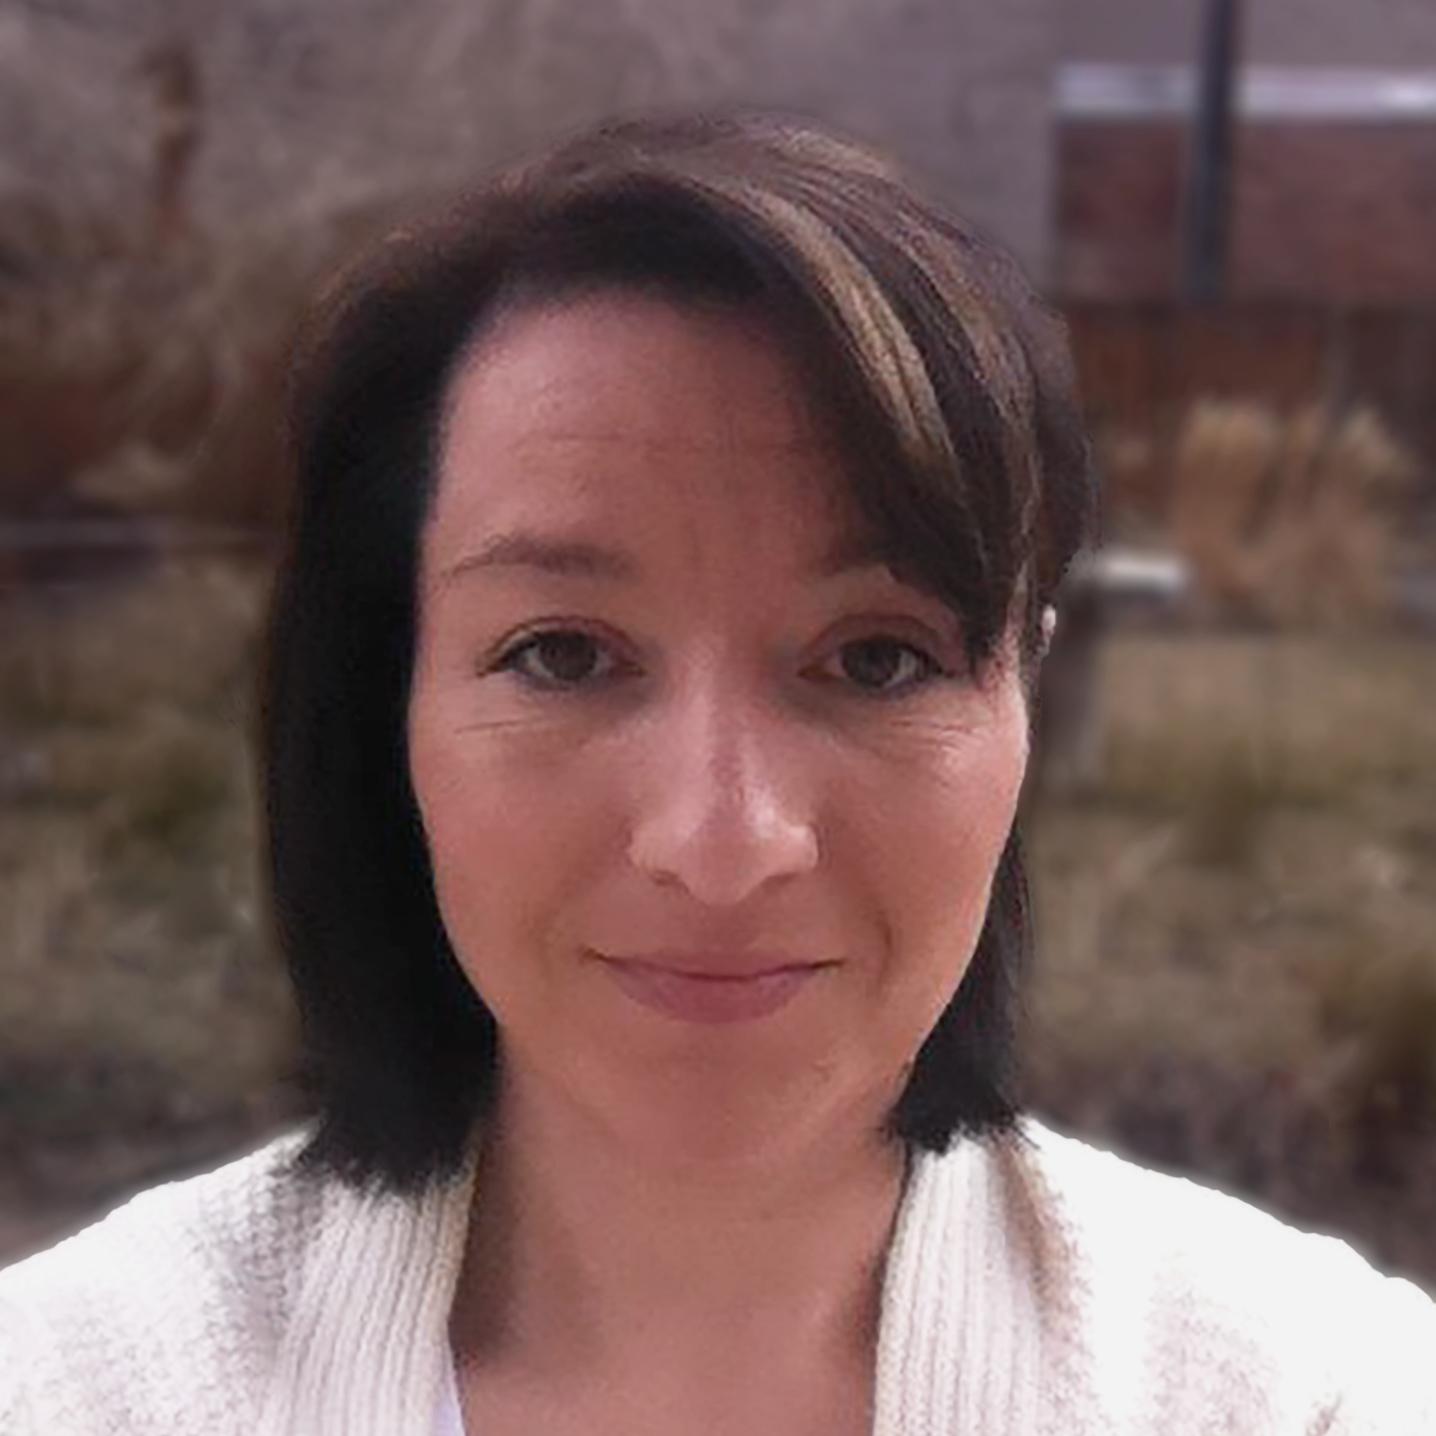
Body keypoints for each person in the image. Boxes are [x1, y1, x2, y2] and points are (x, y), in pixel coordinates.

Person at [1, 109, 1432, 1436]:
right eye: (562, 654)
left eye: (878, 660)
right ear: (389, 709)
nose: (723, 842)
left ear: (1025, 706)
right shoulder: (81, 1389)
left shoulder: (1305, 1396)